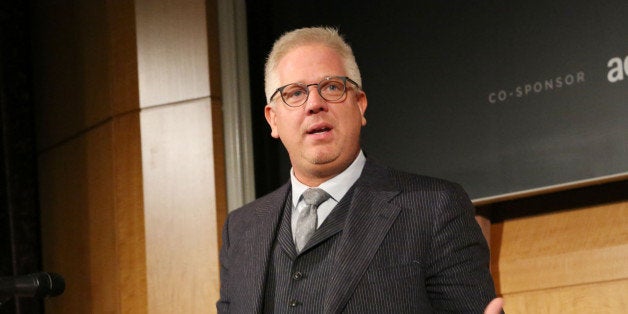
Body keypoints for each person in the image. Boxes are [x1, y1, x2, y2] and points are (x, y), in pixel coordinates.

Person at [217, 26, 503, 313]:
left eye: (331, 87)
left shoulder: (434, 208)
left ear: (360, 104)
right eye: (294, 93)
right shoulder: (241, 230)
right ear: (273, 119)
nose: (315, 104)